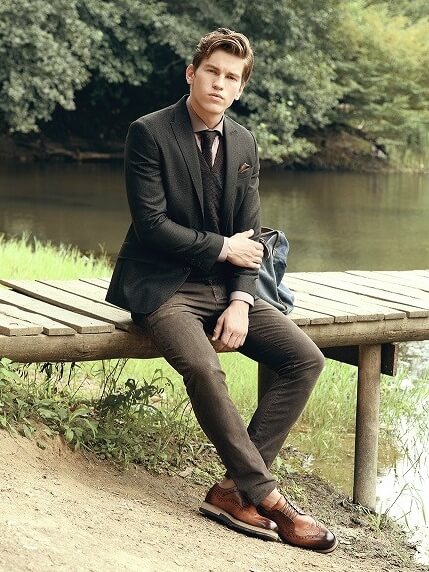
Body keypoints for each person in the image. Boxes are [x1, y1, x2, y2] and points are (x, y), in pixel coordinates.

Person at [106, 27, 338, 553]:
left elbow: (249, 238)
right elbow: (151, 226)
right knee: (205, 368)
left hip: (224, 287)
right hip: (162, 286)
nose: (219, 83)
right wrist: (222, 248)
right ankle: (270, 498)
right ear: (192, 73)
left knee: (305, 359)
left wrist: (239, 300)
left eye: (231, 77)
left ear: (240, 88)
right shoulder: (149, 133)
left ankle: (233, 490)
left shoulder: (244, 142)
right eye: (211, 71)